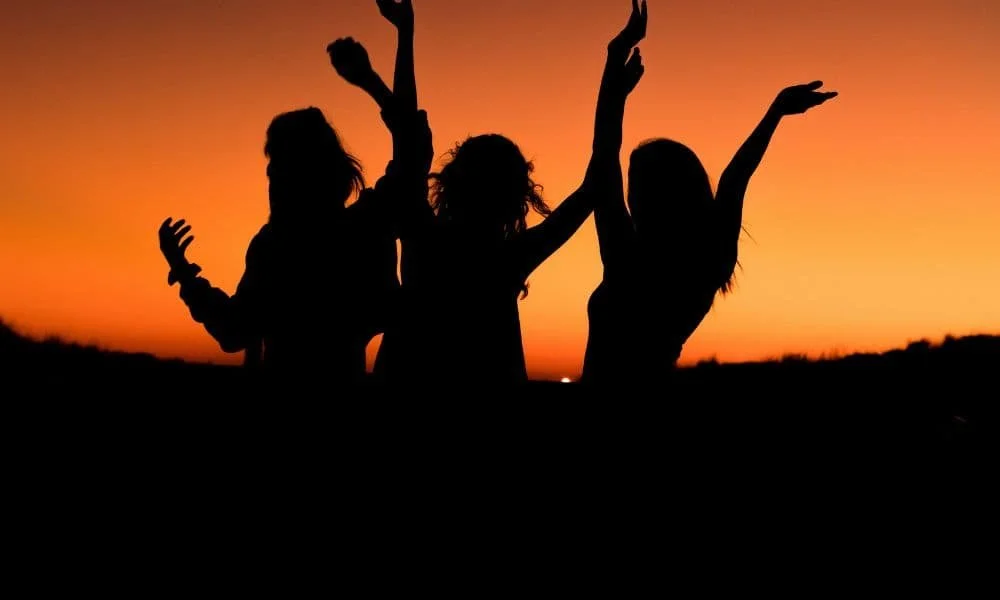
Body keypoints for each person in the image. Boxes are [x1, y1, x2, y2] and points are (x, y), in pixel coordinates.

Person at [342, 0, 647, 387]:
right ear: (517, 197)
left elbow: (407, 138)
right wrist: (614, 80)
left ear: (452, 182)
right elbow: (597, 176)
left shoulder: (426, 238)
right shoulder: (509, 257)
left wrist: (405, 33)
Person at [157, 4, 430, 386]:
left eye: (280, 166)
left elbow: (233, 330)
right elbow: (412, 150)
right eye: (273, 168)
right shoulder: (356, 229)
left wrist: (185, 273)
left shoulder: (282, 245)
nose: (271, 177)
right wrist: (381, 66)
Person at [581, 7, 838, 384]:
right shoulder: (709, 258)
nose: (629, 197)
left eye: (635, 186)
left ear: (654, 196)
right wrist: (775, 113)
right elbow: (735, 179)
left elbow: (605, 151)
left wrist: (615, 61)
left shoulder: (627, 258)